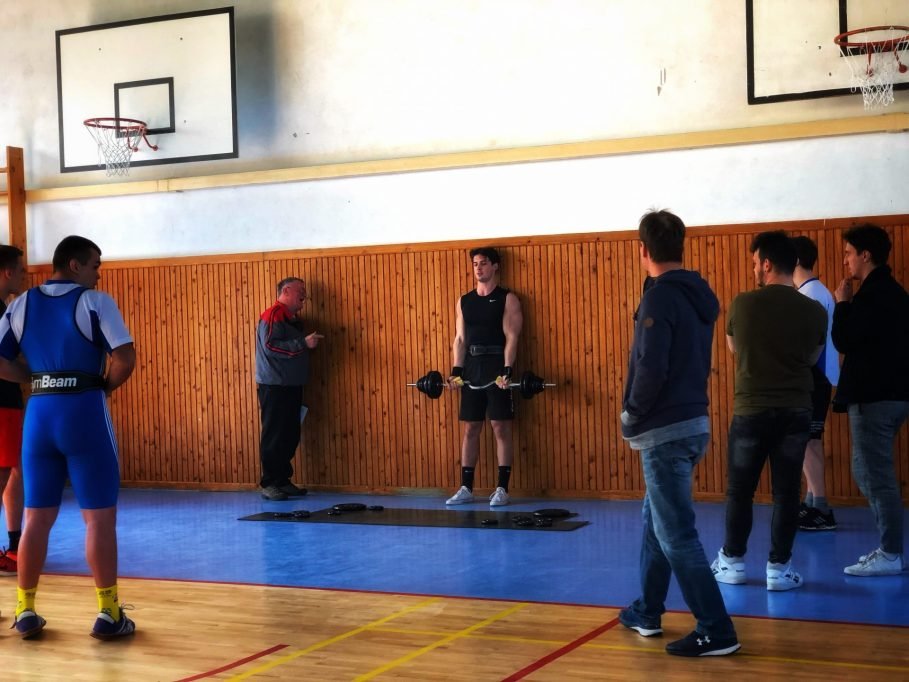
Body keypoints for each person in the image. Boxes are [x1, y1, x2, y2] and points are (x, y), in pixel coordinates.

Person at [0, 235, 137, 639]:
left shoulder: (20, 304)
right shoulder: (95, 302)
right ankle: (109, 613)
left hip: (39, 416)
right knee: (99, 518)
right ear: (75, 265)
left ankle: (25, 609)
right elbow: (125, 358)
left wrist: (33, 378)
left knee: (35, 518)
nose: (99, 274)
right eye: (95, 265)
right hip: (84, 413)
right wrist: (103, 387)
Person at [618, 210, 740, 657]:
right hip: (693, 422)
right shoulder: (695, 296)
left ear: (643, 250)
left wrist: (632, 412)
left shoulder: (660, 299)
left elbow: (651, 366)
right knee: (657, 522)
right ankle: (648, 611)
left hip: (664, 430)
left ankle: (716, 629)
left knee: (676, 535)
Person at [714, 231, 826, 592]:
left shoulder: (742, 304)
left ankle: (732, 562)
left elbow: (735, 348)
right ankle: (779, 569)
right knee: (787, 493)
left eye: (754, 263)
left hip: (751, 409)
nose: (753, 270)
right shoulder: (815, 310)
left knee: (739, 491)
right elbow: (813, 357)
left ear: (766, 264)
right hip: (795, 410)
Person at [831, 224, 909, 576]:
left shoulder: (872, 295)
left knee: (875, 476)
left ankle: (890, 553)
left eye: (849, 253)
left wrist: (842, 305)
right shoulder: (895, 293)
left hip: (875, 398)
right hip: (893, 395)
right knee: (868, 471)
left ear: (866, 255)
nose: (845, 260)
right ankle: (889, 549)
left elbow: (844, 339)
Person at [444, 247, 522, 507]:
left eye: (484, 263)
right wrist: (456, 371)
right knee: (471, 428)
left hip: (496, 365)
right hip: (472, 368)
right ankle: (466, 488)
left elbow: (512, 336)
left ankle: (502, 489)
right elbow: (460, 339)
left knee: (500, 426)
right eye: (475, 263)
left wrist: (507, 369)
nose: (478, 268)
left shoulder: (507, 298)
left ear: (495, 266)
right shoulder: (464, 301)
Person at [255, 277, 323, 501]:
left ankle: (282, 481)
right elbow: (270, 346)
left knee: (289, 434)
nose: (304, 294)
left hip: (291, 384)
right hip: (275, 385)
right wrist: (303, 343)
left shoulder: (292, 319)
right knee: (274, 434)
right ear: (285, 291)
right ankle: (269, 483)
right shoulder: (273, 315)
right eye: (300, 290)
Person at [791, 236, 840, 531]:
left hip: (815, 378)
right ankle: (812, 502)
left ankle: (820, 507)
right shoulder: (814, 291)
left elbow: (809, 345)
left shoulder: (810, 295)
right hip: (817, 377)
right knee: (810, 441)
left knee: (808, 442)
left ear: (795, 260)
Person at [0, 245, 26, 576]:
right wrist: (37, 376)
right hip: (2, 402)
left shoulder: (6, 309)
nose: (23, 276)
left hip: (8, 403)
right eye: (21, 270)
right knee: (3, 474)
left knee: (12, 470)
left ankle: (16, 545)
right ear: (7, 272)